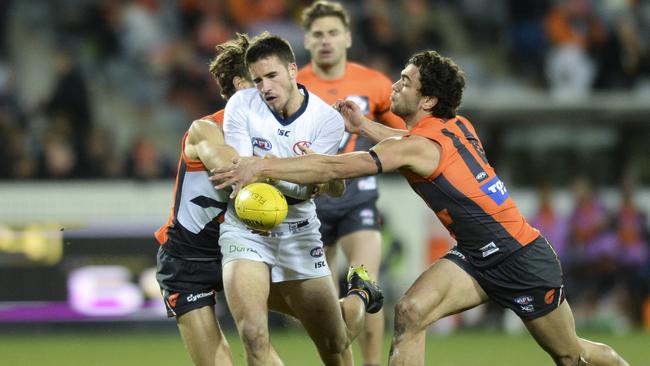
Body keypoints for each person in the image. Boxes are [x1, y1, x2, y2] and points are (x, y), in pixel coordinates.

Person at [211, 50, 630, 366]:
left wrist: (261, 164)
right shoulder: (455, 125)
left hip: (520, 257)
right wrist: (364, 127)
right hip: (475, 254)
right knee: (410, 313)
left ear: (427, 100)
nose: (395, 86)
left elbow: (337, 165)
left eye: (406, 82)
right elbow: (402, 145)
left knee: (571, 356)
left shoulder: (420, 146)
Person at [218, 32, 383, 366]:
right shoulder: (240, 104)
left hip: (299, 229)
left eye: (272, 75)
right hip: (246, 226)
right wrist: (303, 170)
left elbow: (322, 183)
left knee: (335, 340)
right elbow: (240, 174)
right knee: (253, 334)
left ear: (293, 70)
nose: (265, 87)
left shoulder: (326, 120)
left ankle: (359, 296)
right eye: (258, 79)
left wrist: (284, 171)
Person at [297, 3, 405, 364]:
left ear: (347, 37)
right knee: (321, 304)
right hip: (309, 203)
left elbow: (402, 136)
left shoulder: (373, 82)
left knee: (365, 286)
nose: (325, 41)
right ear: (307, 41)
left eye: (332, 33)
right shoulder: (295, 85)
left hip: (358, 197)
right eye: (318, 34)